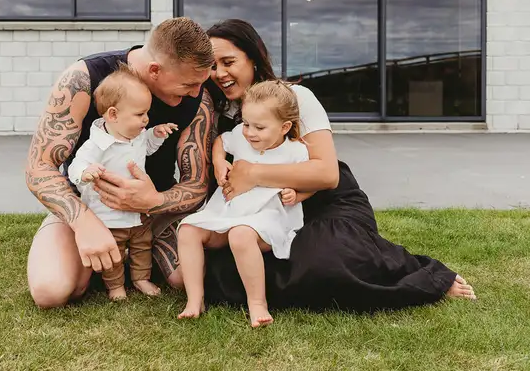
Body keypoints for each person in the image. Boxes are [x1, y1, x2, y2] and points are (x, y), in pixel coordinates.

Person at [202, 19, 476, 313]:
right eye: (212, 66)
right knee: (223, 271)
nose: (219, 73)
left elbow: (327, 174)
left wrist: (254, 174)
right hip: (265, 213)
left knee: (326, 264)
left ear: (253, 59)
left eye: (228, 62)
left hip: (323, 202)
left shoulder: (295, 97)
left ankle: (429, 275)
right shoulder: (217, 110)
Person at [26, 17, 215, 308]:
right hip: (89, 207)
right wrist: (84, 222)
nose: (195, 92)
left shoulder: (198, 97)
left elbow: (197, 184)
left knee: (183, 278)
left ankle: (129, 259)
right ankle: (99, 258)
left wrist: (154, 201)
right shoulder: (84, 78)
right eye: (188, 84)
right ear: (154, 70)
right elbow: (39, 167)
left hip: (153, 216)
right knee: (52, 291)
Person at [178, 81, 311, 327]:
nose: (250, 132)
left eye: (259, 127)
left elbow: (309, 182)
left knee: (240, 235)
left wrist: (298, 194)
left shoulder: (295, 151)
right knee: (188, 230)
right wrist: (219, 162)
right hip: (229, 209)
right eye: (247, 123)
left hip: (266, 216)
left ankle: (257, 303)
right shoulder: (241, 135)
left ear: (285, 127)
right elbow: (221, 141)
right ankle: (194, 299)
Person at [68, 62, 178, 300]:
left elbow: (147, 147)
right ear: (113, 115)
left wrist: (156, 134)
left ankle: (141, 278)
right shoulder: (96, 144)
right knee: (114, 253)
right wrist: (86, 172)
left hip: (138, 214)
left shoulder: (137, 136)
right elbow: (76, 165)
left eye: (146, 113)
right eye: (140, 115)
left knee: (142, 247)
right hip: (108, 216)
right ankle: (115, 286)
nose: (146, 120)